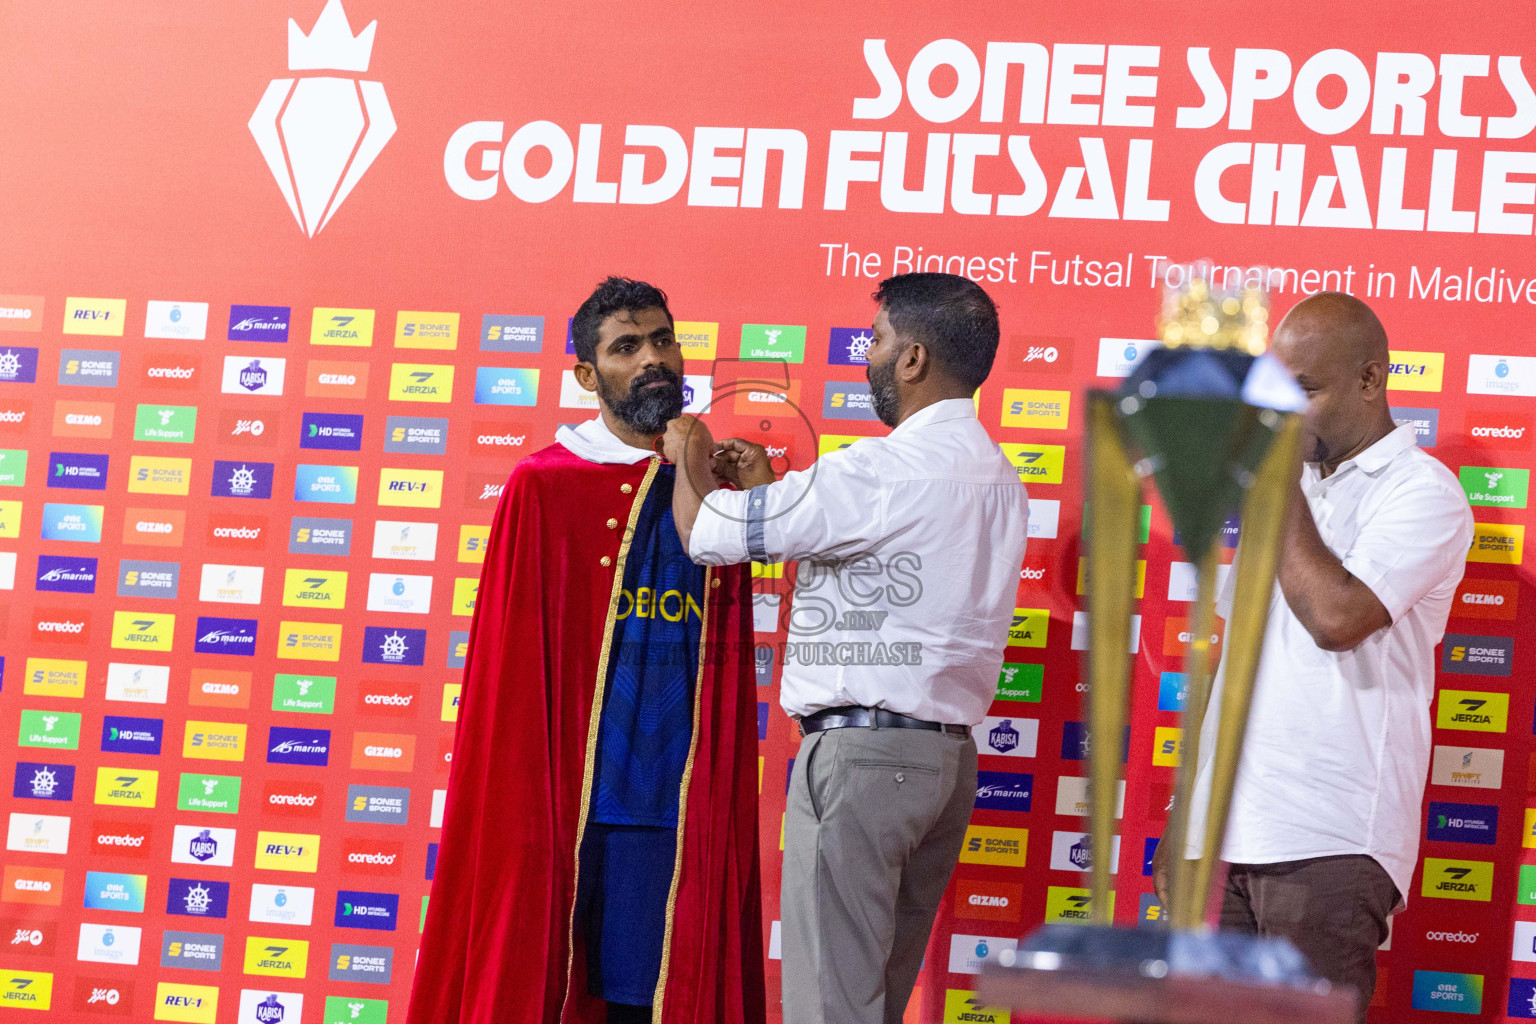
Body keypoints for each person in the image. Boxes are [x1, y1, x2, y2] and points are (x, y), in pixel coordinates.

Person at [663, 272, 1029, 1024]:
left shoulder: (880, 469)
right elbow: (871, 569)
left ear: (915, 358)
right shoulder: (998, 478)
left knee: (831, 1008)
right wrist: (767, 489)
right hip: (946, 763)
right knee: (873, 1005)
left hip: (863, 766)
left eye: (880, 340)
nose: (870, 355)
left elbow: (708, 537)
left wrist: (691, 452)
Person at [408, 277, 765, 1024]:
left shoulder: (715, 483)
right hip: (570, 797)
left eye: (663, 339)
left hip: (672, 796)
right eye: (626, 347)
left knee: (647, 1003)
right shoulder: (544, 487)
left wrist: (720, 474)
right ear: (586, 375)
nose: (653, 359)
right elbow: (510, 681)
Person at [1153, 292, 1474, 1021]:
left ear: (1371, 379)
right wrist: (1184, 812)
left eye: (1306, 391)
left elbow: (1337, 618)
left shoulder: (1424, 492)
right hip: (1229, 832)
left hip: (1331, 837)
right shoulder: (1294, 492)